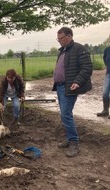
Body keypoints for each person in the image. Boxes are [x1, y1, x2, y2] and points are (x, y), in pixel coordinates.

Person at [53, 27, 93, 157]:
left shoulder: (78, 49)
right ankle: (69, 138)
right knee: (64, 114)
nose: (59, 41)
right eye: (58, 39)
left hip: (69, 87)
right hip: (60, 87)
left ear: (69, 36)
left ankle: (74, 143)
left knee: (66, 114)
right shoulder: (63, 50)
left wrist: (77, 81)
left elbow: (87, 67)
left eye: (61, 38)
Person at [96, 46, 110, 119]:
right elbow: (105, 59)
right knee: (105, 93)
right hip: (108, 74)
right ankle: (105, 110)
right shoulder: (107, 49)